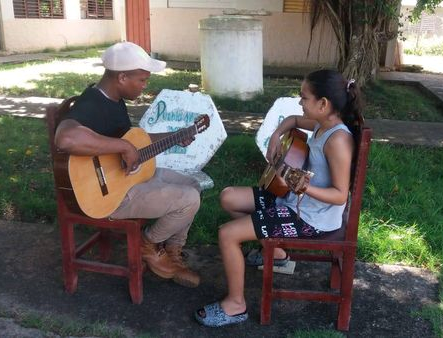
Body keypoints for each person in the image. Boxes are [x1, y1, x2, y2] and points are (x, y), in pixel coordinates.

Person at [194, 69, 364, 326]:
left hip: (311, 218)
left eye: (303, 97)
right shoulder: (322, 124)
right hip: (296, 202)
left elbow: (340, 196)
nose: (300, 102)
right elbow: (293, 120)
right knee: (228, 197)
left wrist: (303, 188)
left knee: (227, 234)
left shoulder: (337, 140)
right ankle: (278, 256)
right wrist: (276, 136)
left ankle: (236, 305)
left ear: (323, 103)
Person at [55, 41, 202, 288]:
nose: (145, 86)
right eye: (142, 80)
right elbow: (66, 138)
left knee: (193, 185)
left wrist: (176, 136)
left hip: (129, 179)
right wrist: (123, 148)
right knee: (188, 198)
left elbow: (134, 142)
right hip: (108, 196)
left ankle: (172, 251)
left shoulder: (114, 99)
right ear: (122, 77)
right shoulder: (91, 103)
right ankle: (149, 245)